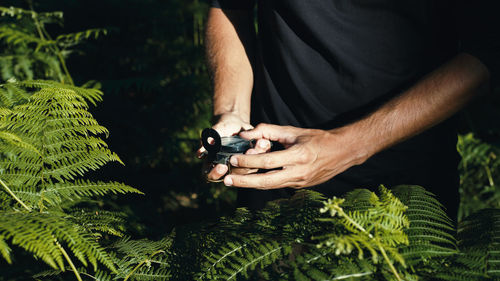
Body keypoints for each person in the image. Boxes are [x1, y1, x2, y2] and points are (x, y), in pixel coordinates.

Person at [198, 0, 497, 221]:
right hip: (273, 174)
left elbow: (483, 55)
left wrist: (348, 146)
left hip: (406, 193)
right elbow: (230, 7)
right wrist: (232, 113)